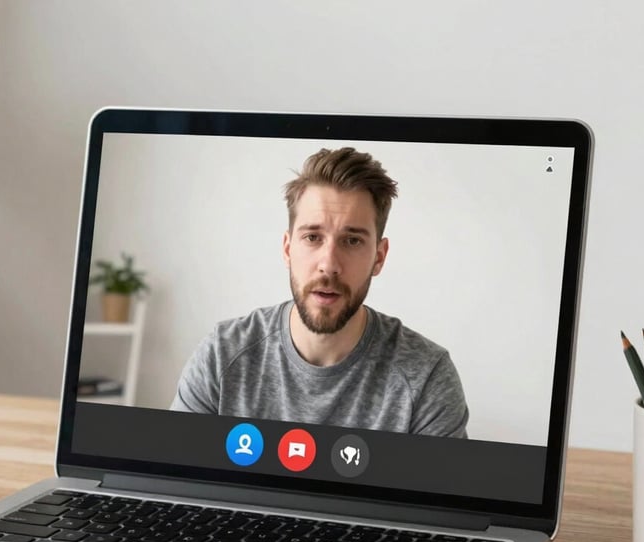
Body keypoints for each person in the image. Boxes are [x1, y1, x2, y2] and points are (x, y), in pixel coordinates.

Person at [170, 147, 468, 438]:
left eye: (352, 241)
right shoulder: (223, 354)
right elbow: (171, 478)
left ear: (379, 257)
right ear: (288, 249)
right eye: (312, 237)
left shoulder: (426, 376)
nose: (329, 265)